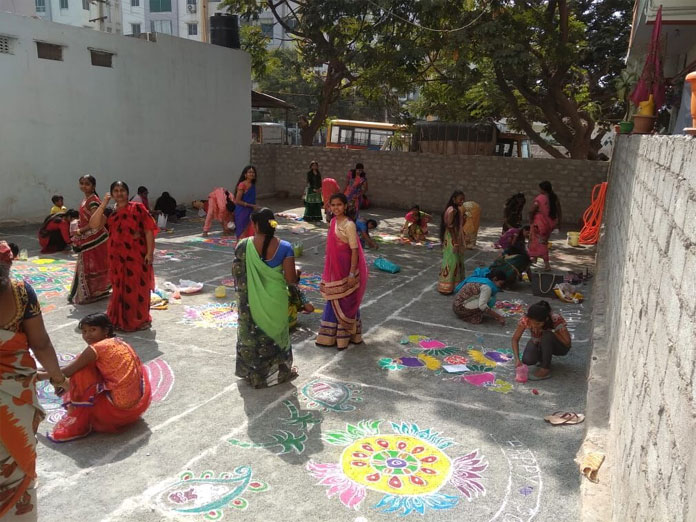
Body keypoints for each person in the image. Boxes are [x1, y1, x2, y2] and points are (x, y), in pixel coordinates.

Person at [0, 241, 67, 519]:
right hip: (15, 397)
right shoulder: (21, 292)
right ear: (10, 263)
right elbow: (40, 344)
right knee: (15, 466)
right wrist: (58, 378)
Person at [38, 313, 152, 442]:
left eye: (93, 330)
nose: (87, 335)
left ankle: (78, 413)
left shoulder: (95, 348)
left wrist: (36, 376)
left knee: (81, 372)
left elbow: (67, 371)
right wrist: (45, 371)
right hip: (137, 402)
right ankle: (73, 397)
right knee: (82, 365)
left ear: (106, 330)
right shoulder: (118, 342)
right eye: (84, 331)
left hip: (116, 407)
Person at [232, 208, 303, 388]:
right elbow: (290, 279)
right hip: (276, 299)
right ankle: (283, 371)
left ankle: (255, 374)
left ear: (255, 225)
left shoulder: (243, 245)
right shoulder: (285, 247)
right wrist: (298, 273)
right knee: (278, 334)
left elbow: (238, 275)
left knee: (252, 336)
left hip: (251, 300)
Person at [89, 181, 157, 332]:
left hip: (137, 255)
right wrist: (104, 203)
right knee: (119, 288)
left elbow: (148, 230)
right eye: (116, 191)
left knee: (138, 287)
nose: (119, 194)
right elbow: (94, 225)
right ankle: (120, 319)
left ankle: (139, 319)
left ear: (127, 192)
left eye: (122, 190)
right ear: (111, 194)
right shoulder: (109, 211)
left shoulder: (137, 208)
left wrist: (149, 253)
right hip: (116, 257)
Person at [316, 193, 368, 350]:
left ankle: (345, 338)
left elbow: (354, 251)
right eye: (333, 205)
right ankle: (330, 338)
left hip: (346, 270)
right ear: (329, 207)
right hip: (334, 269)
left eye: (339, 205)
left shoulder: (349, 225)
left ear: (345, 206)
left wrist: (352, 274)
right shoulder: (332, 222)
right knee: (333, 299)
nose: (336, 208)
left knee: (346, 300)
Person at [69, 175, 111, 304]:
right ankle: (96, 290)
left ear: (93, 186)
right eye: (81, 183)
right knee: (90, 264)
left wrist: (80, 230)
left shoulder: (93, 200)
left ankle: (95, 291)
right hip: (89, 237)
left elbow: (95, 222)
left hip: (95, 238)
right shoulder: (87, 199)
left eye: (87, 184)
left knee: (92, 265)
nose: (83, 186)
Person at [511, 300, 571, 380]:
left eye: (538, 324)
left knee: (547, 335)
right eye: (533, 323)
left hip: (560, 347)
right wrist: (517, 359)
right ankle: (543, 359)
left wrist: (553, 332)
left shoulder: (555, 319)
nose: (535, 326)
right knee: (527, 360)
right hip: (539, 341)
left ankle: (545, 369)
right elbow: (515, 339)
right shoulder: (526, 320)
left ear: (546, 319)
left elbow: (567, 343)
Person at [437, 190, 467, 294]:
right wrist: (455, 242)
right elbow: (451, 227)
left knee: (454, 259)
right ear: (454, 199)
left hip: (450, 237)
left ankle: (454, 284)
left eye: (463, 199)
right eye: (460, 199)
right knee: (452, 260)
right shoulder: (453, 210)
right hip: (451, 238)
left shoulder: (454, 209)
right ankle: (447, 286)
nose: (462, 201)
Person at [528, 181, 561, 270]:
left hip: (539, 224)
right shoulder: (554, 197)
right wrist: (558, 223)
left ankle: (547, 265)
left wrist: (531, 220)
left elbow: (532, 210)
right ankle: (534, 258)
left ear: (543, 189)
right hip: (549, 224)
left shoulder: (540, 198)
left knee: (541, 243)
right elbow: (559, 210)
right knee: (538, 241)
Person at [234, 165, 258, 239]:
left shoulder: (252, 185)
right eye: (249, 172)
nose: (252, 174)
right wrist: (251, 205)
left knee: (250, 231)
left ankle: (248, 248)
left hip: (250, 211)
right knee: (241, 232)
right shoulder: (242, 185)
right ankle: (239, 248)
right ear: (245, 174)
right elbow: (237, 201)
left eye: (253, 172)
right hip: (242, 211)